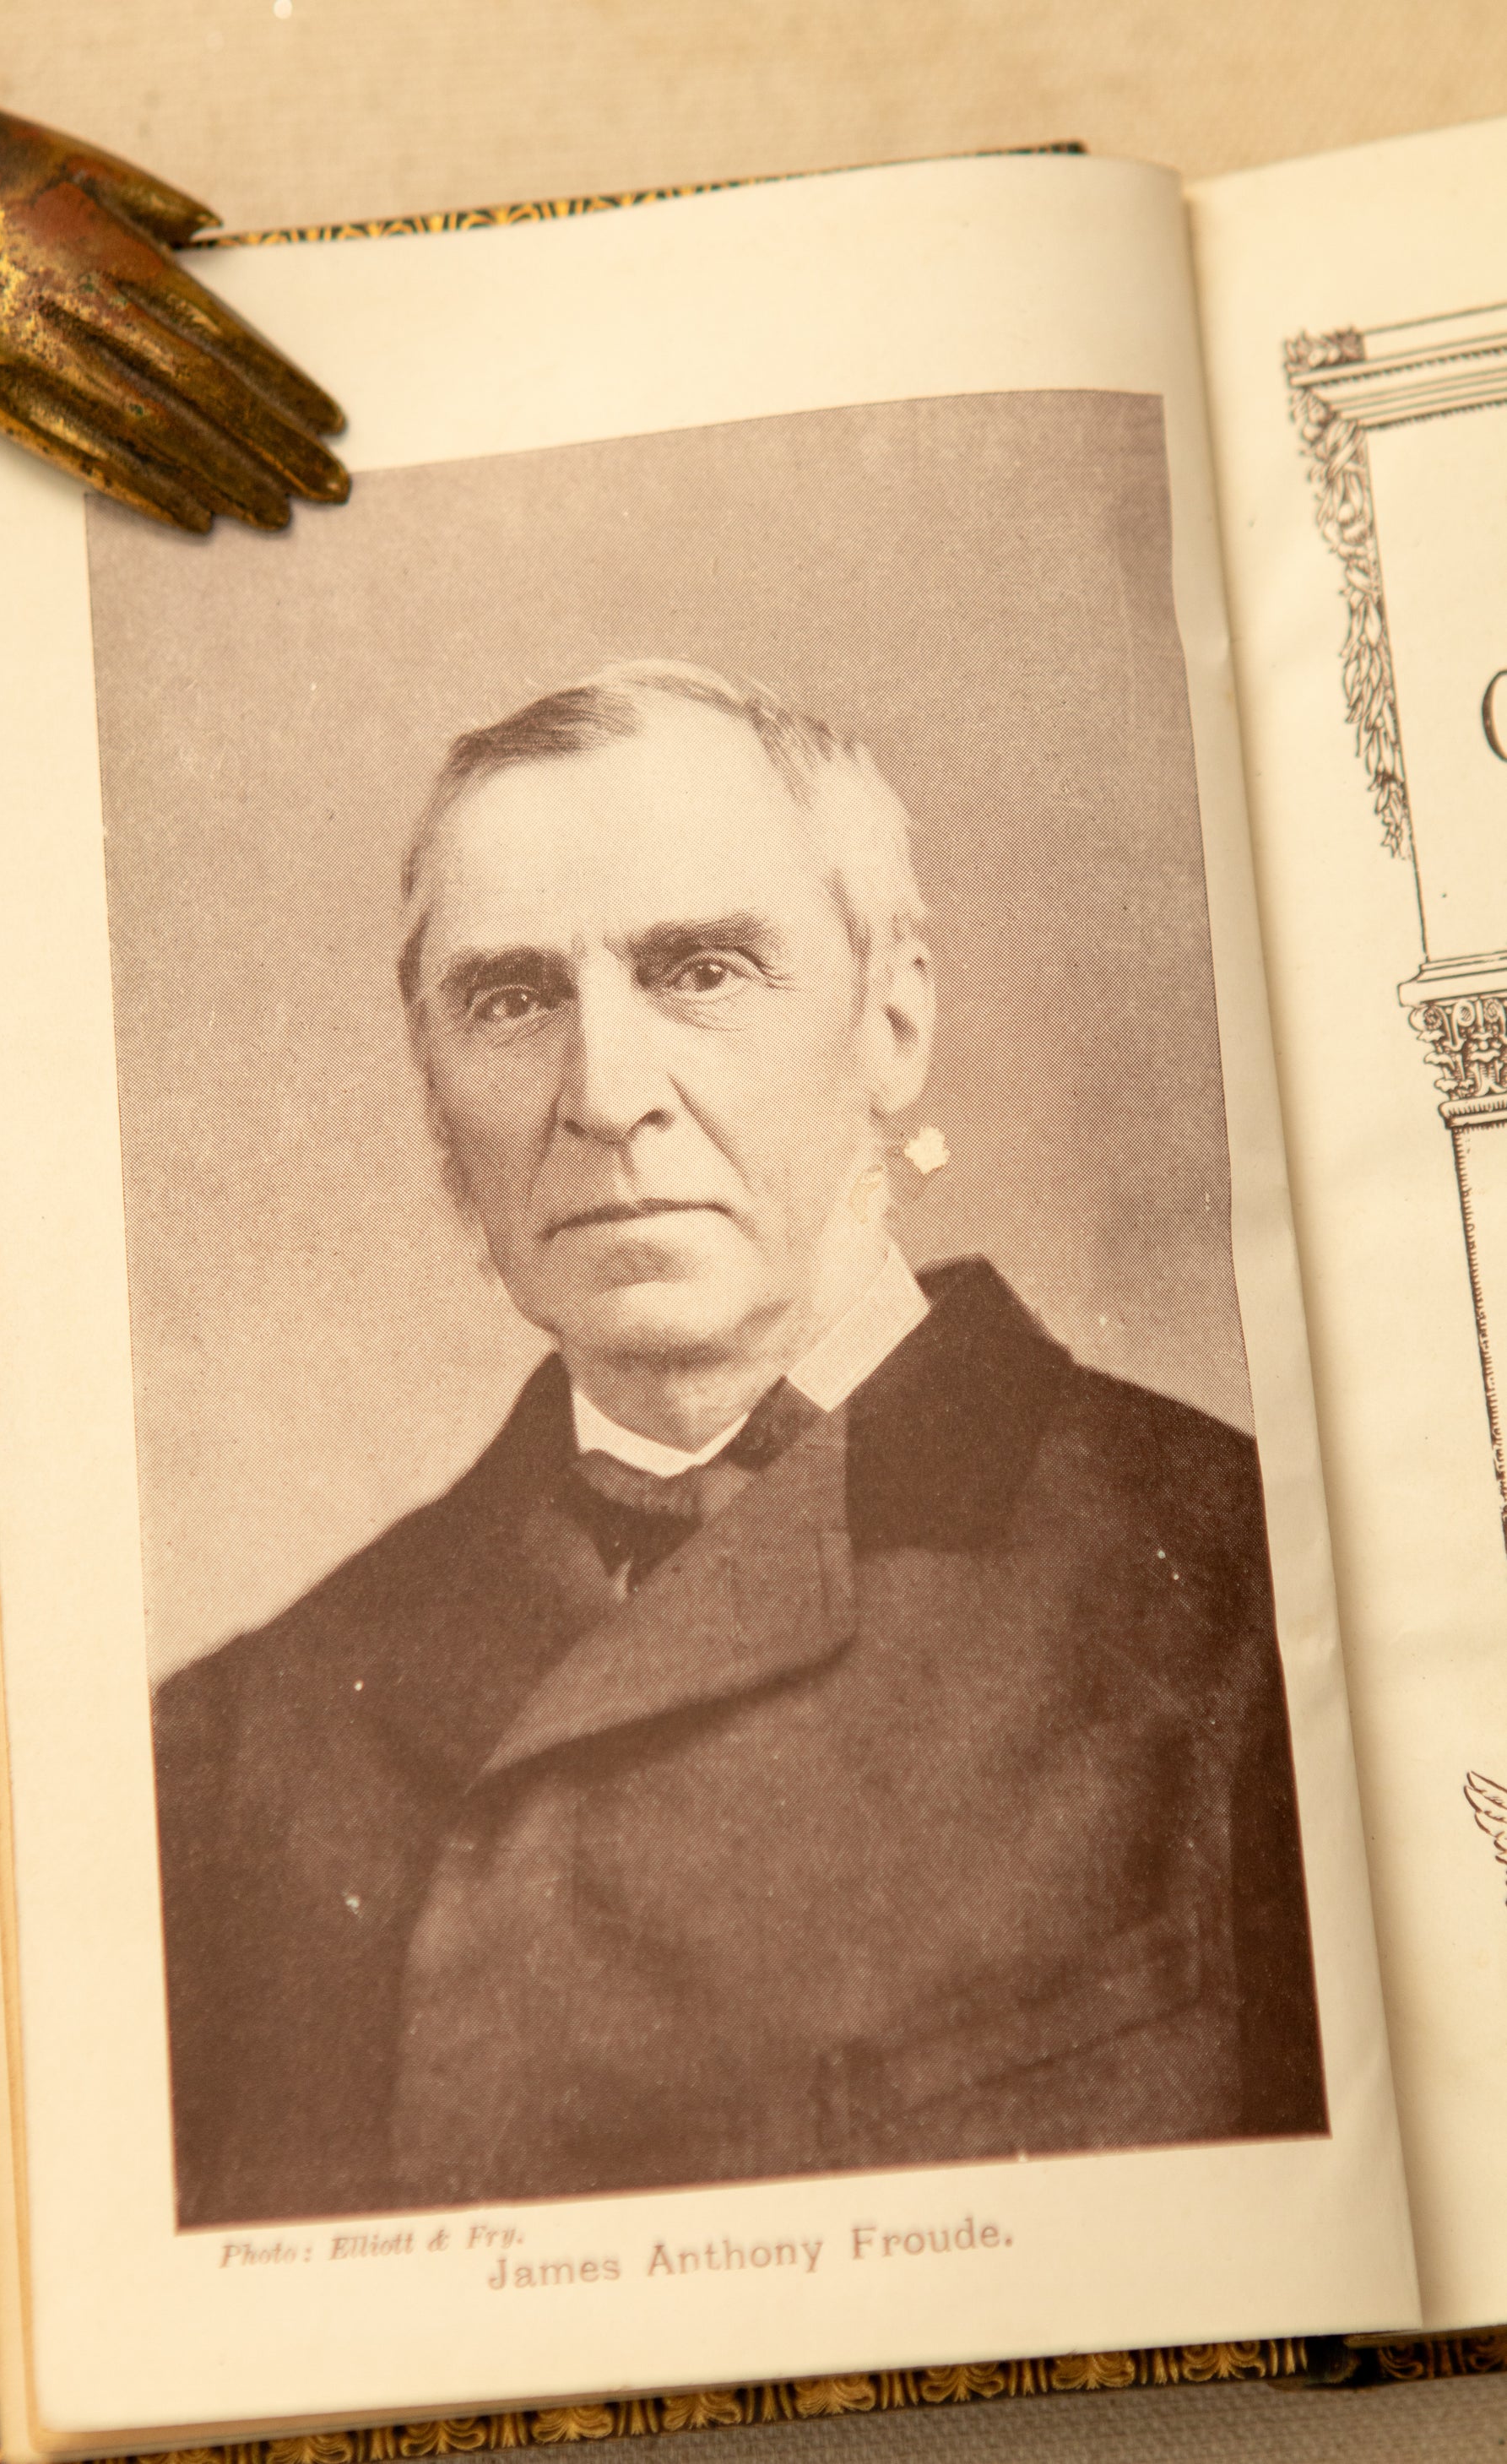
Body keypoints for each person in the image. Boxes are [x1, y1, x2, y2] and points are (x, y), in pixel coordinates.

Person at [153, 660, 1326, 2230]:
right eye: (510, 999)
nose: (604, 1095)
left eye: (701, 970)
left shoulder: (1252, 1602)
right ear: (430, 1076)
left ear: (891, 1019)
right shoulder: (235, 1747)